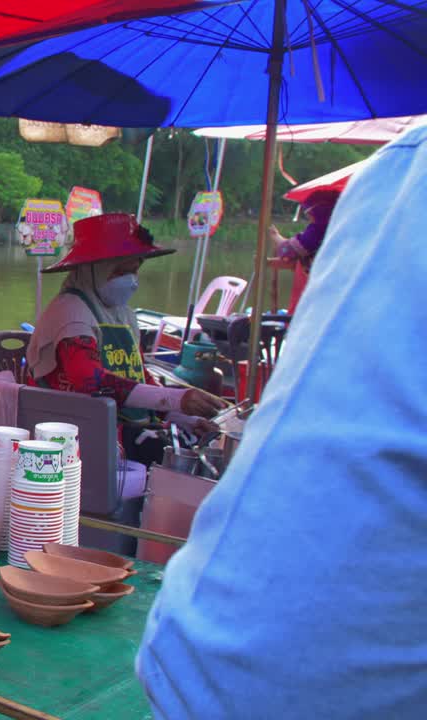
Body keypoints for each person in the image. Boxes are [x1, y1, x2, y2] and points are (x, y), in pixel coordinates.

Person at [136, 125, 427, 720]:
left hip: (192, 666)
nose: (132, 272)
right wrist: (163, 400)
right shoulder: (395, 176)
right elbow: (93, 385)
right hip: (236, 678)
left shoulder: (391, 173)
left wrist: (165, 398)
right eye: (128, 264)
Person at [26, 214, 222, 463]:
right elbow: (90, 380)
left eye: (135, 270)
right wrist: (176, 399)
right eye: (121, 271)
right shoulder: (71, 311)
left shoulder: (122, 314)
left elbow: (138, 375)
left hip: (124, 427)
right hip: (76, 435)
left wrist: (180, 416)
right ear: (93, 270)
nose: (131, 280)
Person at [268, 188, 340, 313]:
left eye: (308, 212)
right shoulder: (339, 225)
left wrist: (275, 236)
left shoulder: (318, 229)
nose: (307, 216)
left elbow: (290, 251)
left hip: (320, 287)